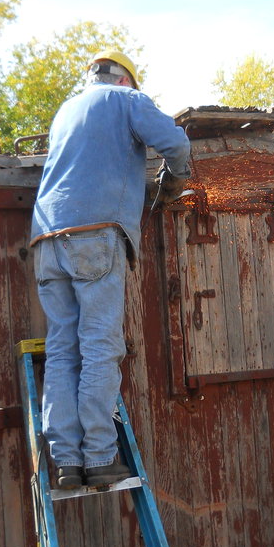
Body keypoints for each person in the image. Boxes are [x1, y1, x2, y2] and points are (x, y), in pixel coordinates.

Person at [30, 49, 191, 489]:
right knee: (100, 344)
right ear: (124, 81)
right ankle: (100, 456)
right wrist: (176, 179)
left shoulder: (66, 111)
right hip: (95, 235)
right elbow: (176, 144)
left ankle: (65, 460)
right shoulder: (128, 101)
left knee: (63, 349)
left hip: (46, 239)